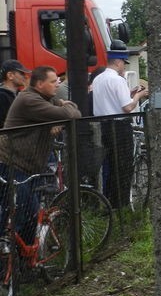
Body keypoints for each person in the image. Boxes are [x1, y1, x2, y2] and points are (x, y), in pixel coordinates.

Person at [0, 66, 81, 252]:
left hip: (27, 166)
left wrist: (61, 112)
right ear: (39, 84)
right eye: (53, 81)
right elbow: (69, 113)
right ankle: (16, 258)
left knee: (17, 211)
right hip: (11, 164)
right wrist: (63, 106)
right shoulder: (29, 100)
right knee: (28, 211)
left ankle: (22, 260)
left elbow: (76, 114)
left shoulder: (46, 99)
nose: (57, 84)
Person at [91, 42, 149, 208]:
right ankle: (121, 205)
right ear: (118, 62)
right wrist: (138, 95)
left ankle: (109, 203)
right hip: (119, 126)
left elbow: (111, 100)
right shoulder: (117, 80)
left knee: (111, 165)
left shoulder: (98, 79)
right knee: (123, 167)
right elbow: (128, 107)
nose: (124, 66)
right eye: (124, 63)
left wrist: (129, 94)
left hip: (104, 126)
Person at [0, 59, 31, 128]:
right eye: (21, 73)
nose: (25, 76)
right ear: (10, 75)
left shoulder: (17, 94)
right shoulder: (2, 96)